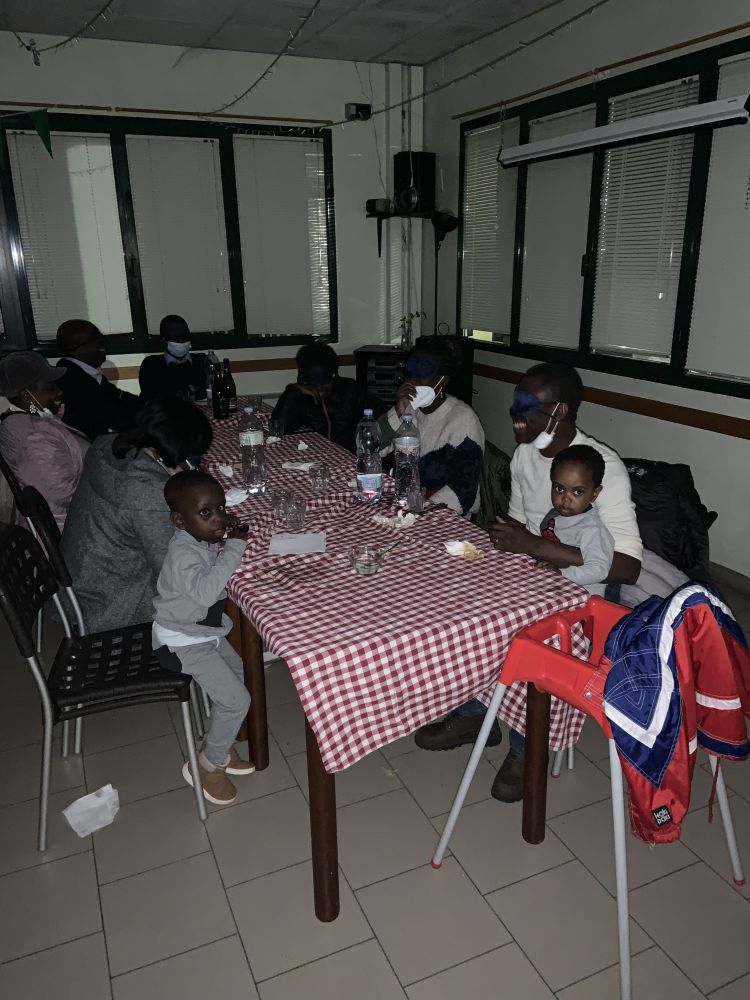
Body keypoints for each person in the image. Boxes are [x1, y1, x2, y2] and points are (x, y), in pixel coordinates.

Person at [415, 362, 642, 802]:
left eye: (526, 408)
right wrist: (501, 541)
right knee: (468, 606)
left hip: (587, 588)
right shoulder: (524, 454)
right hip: (540, 570)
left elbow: (628, 566)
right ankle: (476, 710)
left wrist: (536, 547)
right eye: (515, 405)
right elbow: (522, 524)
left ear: (560, 411)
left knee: (533, 636)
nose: (515, 417)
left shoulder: (601, 468)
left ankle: (528, 744)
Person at [61, 398, 212, 633]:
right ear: (174, 453)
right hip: (114, 608)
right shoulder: (149, 494)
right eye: (194, 459)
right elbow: (172, 575)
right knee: (214, 587)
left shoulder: (105, 445)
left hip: (80, 586)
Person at [153, 470, 252, 806]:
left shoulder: (197, 537)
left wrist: (223, 530)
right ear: (179, 521)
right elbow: (207, 592)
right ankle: (208, 766)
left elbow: (211, 558)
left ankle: (216, 745)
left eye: (221, 508)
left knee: (239, 675)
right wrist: (234, 547)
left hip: (201, 632)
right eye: (206, 513)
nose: (218, 519)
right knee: (237, 700)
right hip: (182, 641)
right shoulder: (182, 554)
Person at [380, 344, 485, 516]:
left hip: (444, 513)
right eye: (410, 374)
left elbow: (463, 490)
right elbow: (372, 448)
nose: (413, 381)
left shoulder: (463, 419)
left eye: (422, 374)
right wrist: (397, 410)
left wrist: (421, 510)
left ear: (442, 380)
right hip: (405, 502)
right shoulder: (408, 407)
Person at [0, 351, 89, 527]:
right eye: (51, 388)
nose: (60, 392)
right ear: (27, 395)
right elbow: (59, 494)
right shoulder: (34, 438)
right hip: (69, 526)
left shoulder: (32, 419)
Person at [271, 342, 380, 453]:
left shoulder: (349, 389)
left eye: (324, 382)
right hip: (313, 455)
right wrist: (293, 390)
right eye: (314, 383)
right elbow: (277, 431)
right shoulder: (301, 397)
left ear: (333, 375)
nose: (319, 388)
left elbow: (378, 416)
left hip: (351, 455)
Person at [538, 444, 614, 597]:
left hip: (584, 597)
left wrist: (561, 574)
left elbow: (599, 569)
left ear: (594, 493)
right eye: (559, 488)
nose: (566, 499)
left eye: (578, 492)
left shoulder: (591, 529)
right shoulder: (554, 515)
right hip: (555, 588)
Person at [56, 319, 141, 440]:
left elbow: (120, 397)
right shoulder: (71, 380)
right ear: (77, 346)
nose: (103, 344)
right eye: (97, 340)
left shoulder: (85, 373)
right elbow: (115, 417)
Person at [139, 315, 208, 402]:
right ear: (163, 340)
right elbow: (150, 396)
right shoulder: (151, 364)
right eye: (174, 336)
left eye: (184, 335)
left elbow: (211, 390)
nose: (180, 340)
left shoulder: (202, 361)